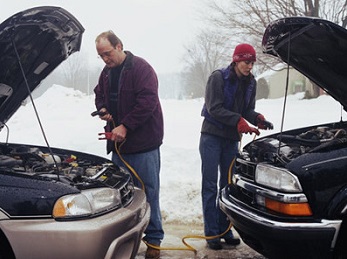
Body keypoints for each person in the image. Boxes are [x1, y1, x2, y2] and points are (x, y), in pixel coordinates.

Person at [93, 30, 164, 259]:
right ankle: (127, 238)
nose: (105, 59)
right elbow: (99, 94)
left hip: (144, 145)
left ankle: (153, 240)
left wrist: (125, 126)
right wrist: (103, 108)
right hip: (119, 148)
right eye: (101, 56)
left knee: (148, 192)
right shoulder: (106, 73)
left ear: (119, 46)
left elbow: (148, 102)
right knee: (123, 196)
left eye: (107, 53)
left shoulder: (142, 69)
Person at [199, 43, 272, 250]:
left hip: (231, 139)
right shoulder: (218, 78)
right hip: (211, 137)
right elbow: (214, 108)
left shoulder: (251, 83)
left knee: (228, 186)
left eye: (252, 62)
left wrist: (256, 118)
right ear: (236, 60)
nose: (249, 66)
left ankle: (225, 229)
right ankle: (212, 233)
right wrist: (238, 121)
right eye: (246, 62)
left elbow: (247, 110)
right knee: (210, 185)